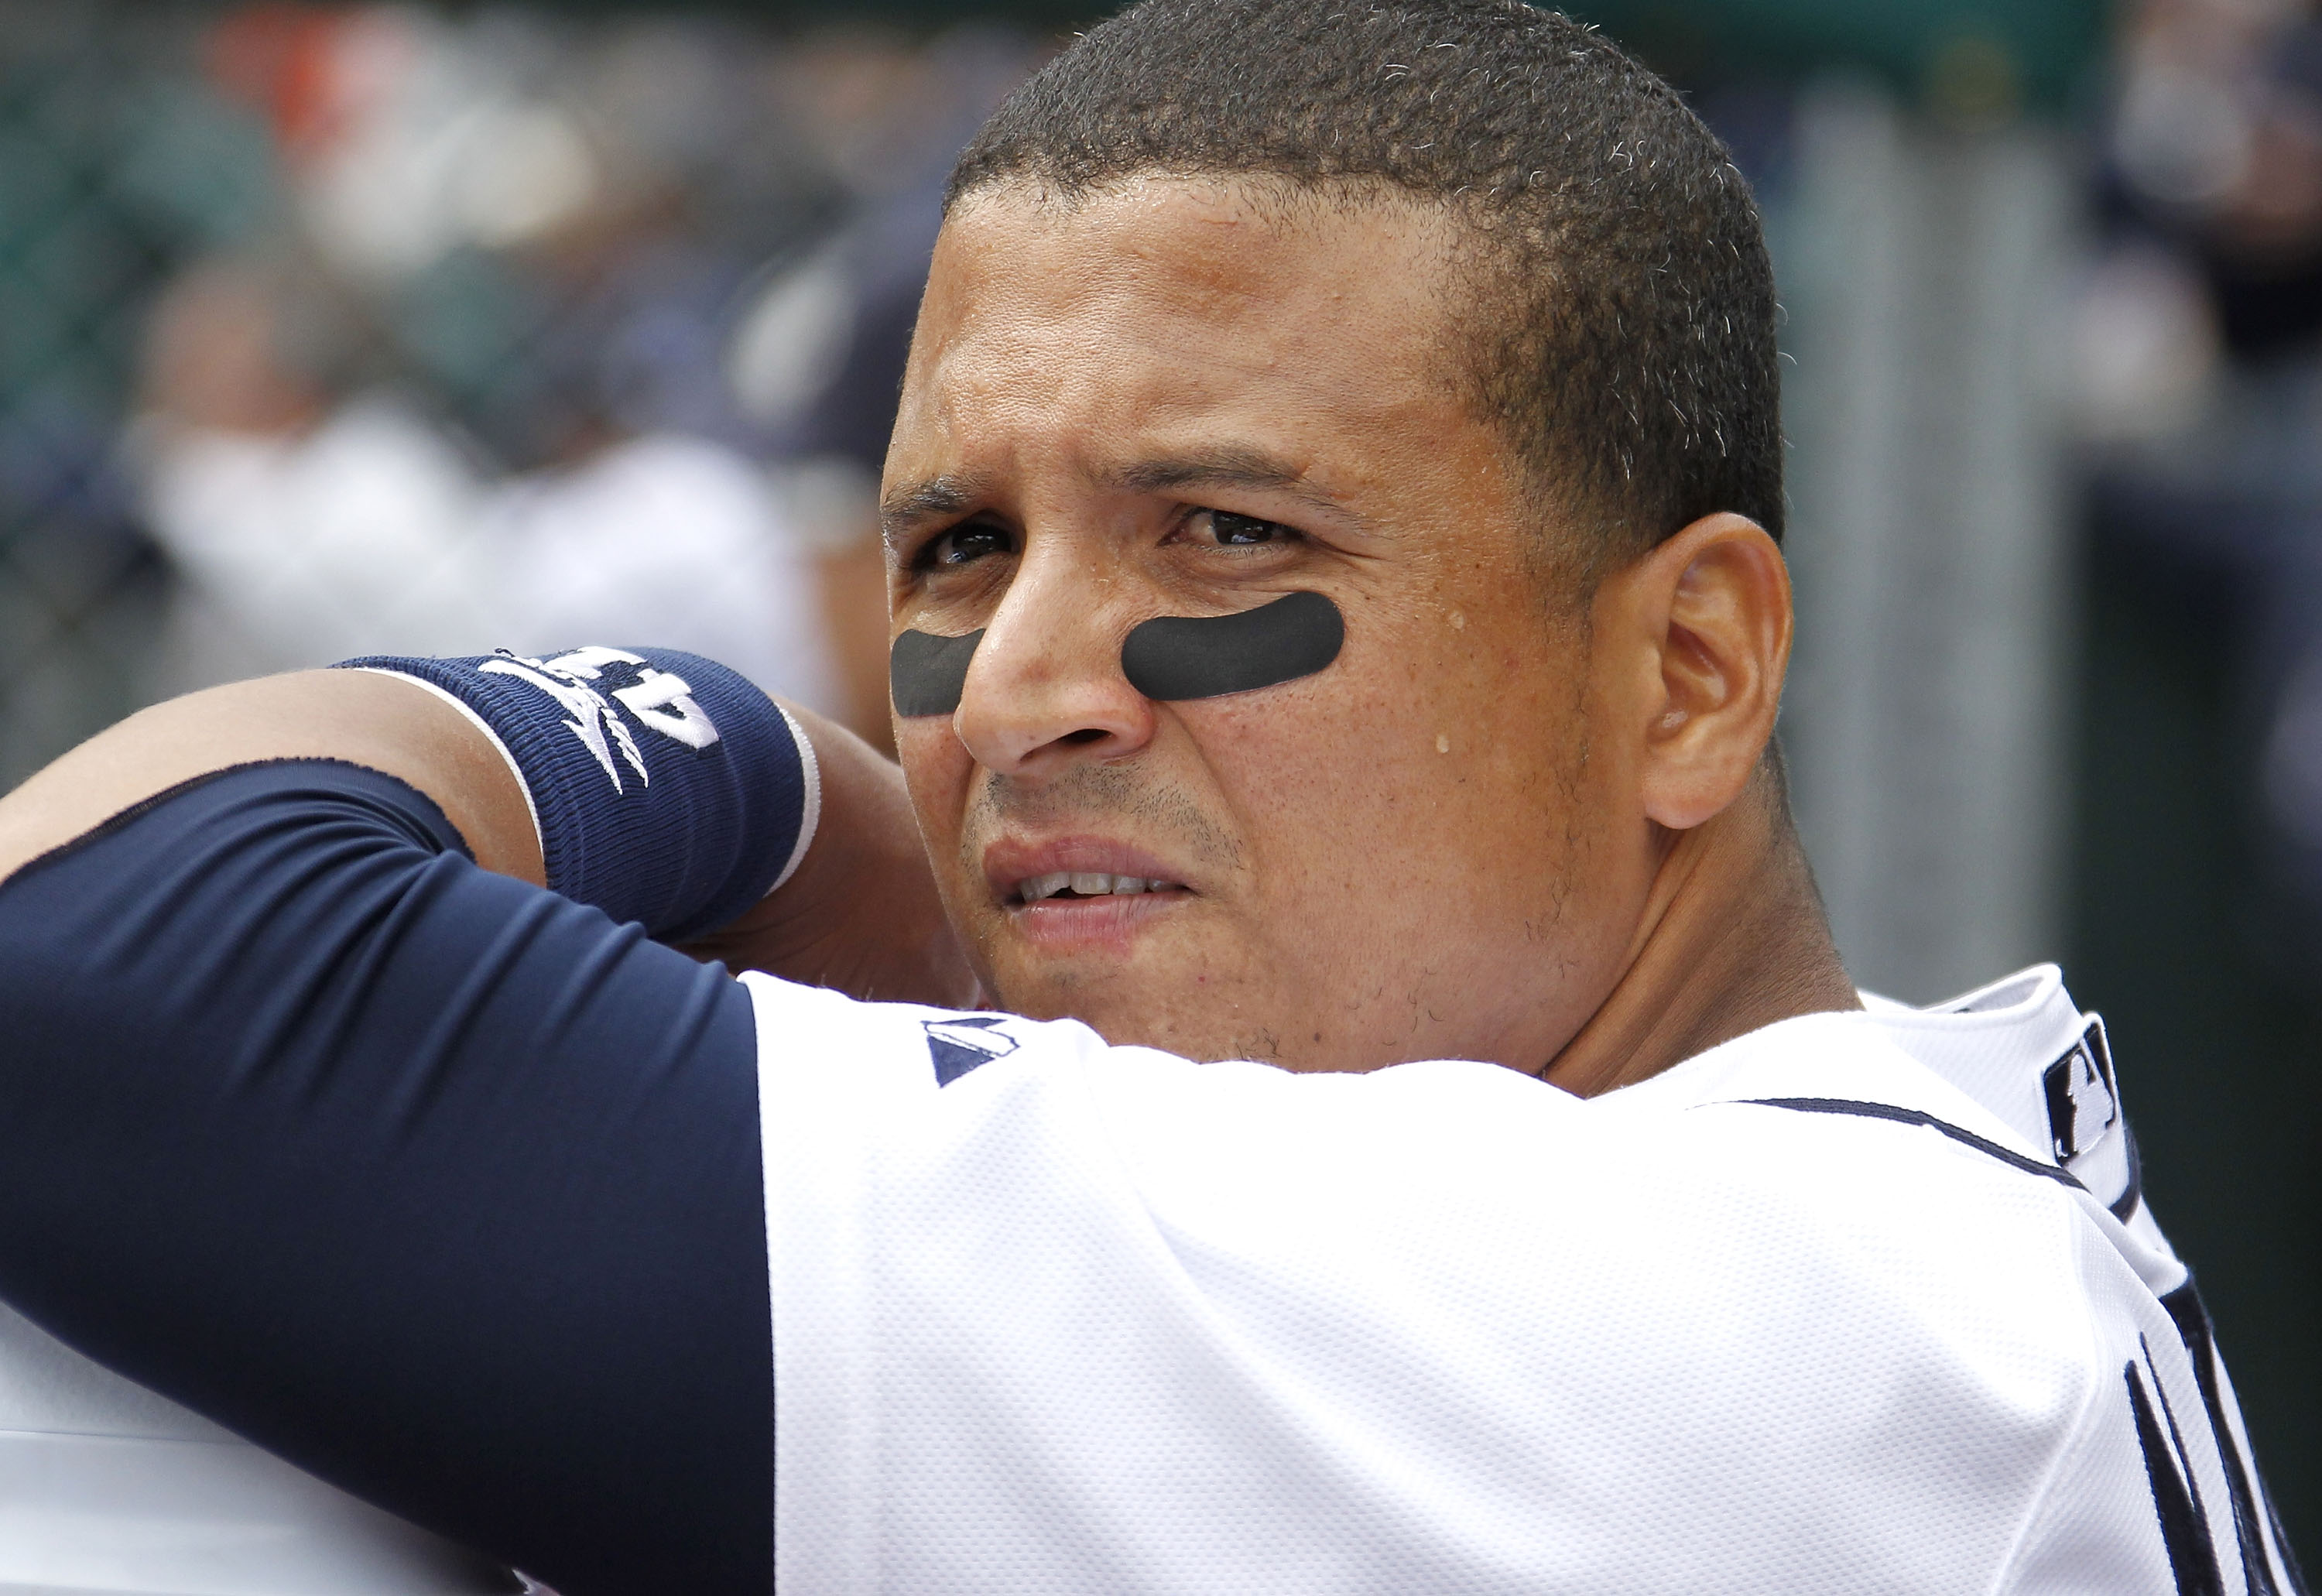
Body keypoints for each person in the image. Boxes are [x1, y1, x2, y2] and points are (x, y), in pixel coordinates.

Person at [0, 2, 2303, 1593]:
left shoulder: (1773, 1327)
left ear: (1685, 676)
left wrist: (756, 784)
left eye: (1226, 533)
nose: (1009, 688)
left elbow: (120, 967)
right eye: (957, 547)